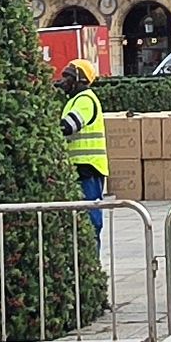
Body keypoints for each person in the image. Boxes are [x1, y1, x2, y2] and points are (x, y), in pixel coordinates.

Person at [57, 60, 108, 232]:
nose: (63, 81)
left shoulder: (85, 99)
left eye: (68, 77)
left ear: (79, 79)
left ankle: (93, 256)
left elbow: (68, 127)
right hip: (79, 166)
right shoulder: (74, 100)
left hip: (88, 167)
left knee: (90, 220)